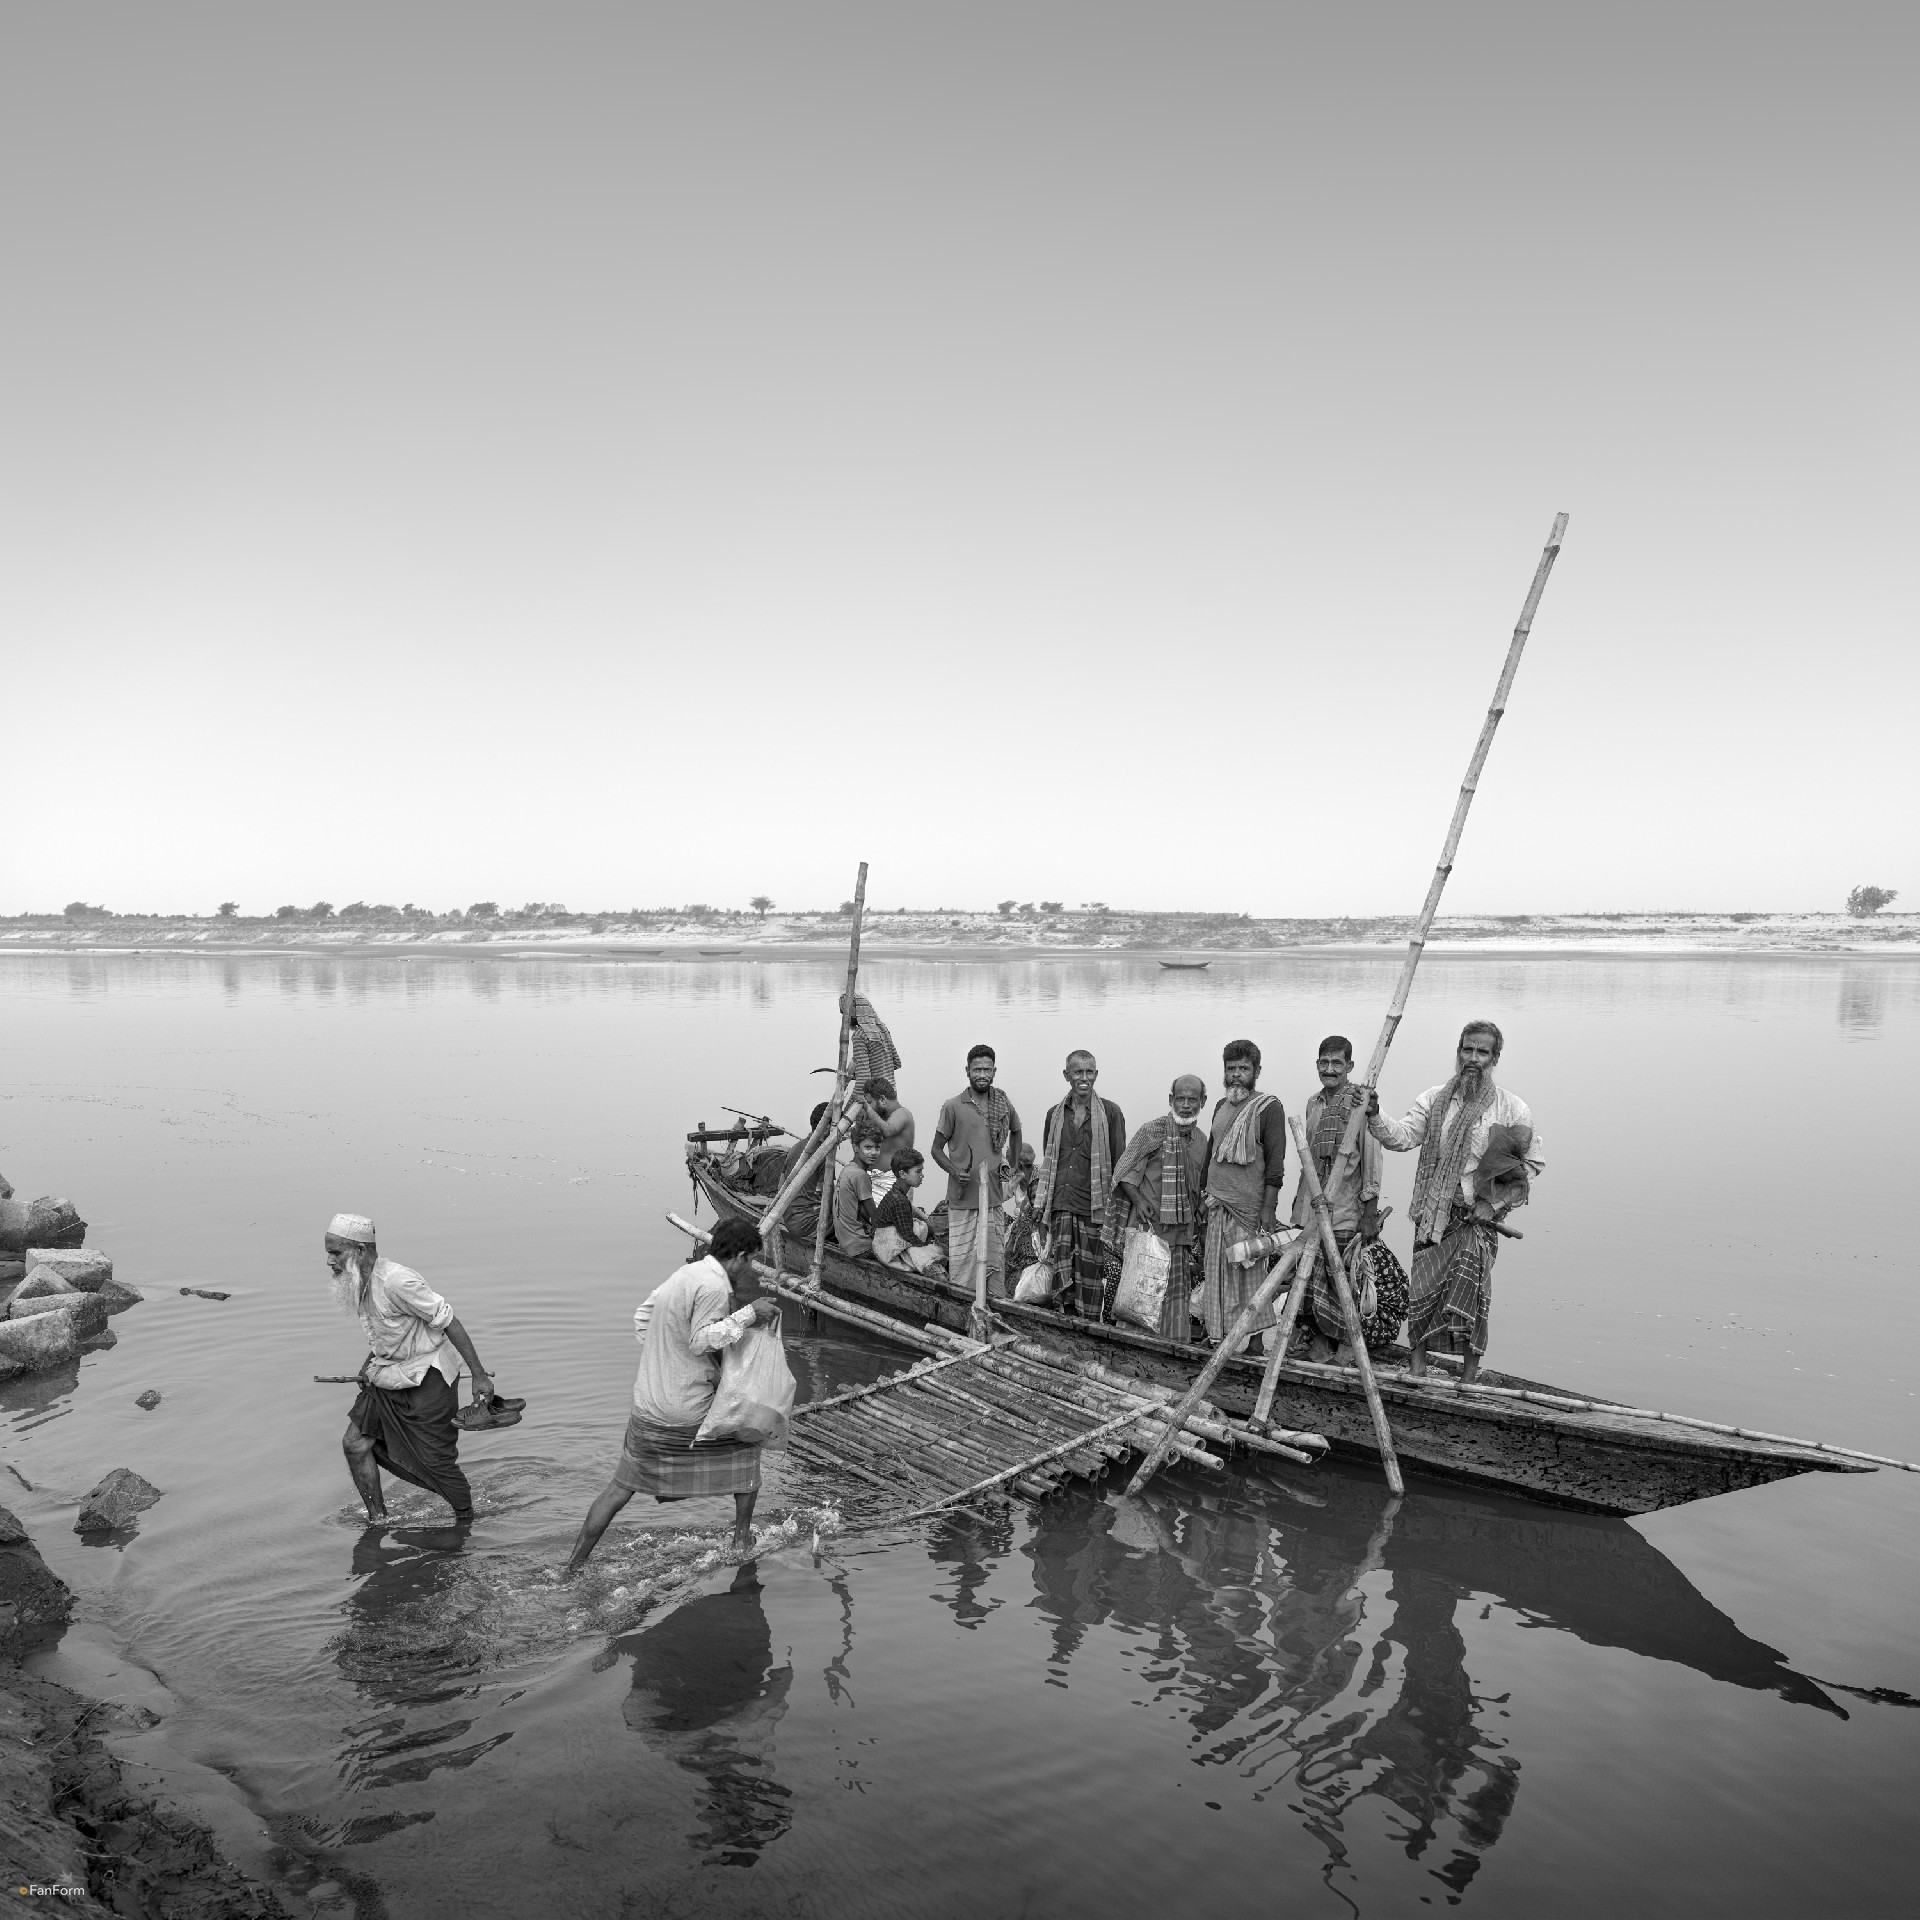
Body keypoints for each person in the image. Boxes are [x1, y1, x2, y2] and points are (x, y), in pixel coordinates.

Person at [566, 1217, 780, 1569]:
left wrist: (668, 1360)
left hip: (647, 1405)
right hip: (684, 1410)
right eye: (752, 1260)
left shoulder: (685, 1274)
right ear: (740, 1256)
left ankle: (573, 1565)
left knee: (619, 1489)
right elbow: (700, 1341)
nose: (750, 1269)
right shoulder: (714, 1288)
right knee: (749, 1445)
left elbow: (643, 1318)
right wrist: (748, 1314)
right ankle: (741, 1539)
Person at [1366, 1020, 1544, 1381]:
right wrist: (1374, 1113)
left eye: (1482, 1052)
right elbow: (1402, 1137)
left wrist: (1493, 1205)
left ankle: (1468, 1378)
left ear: (1495, 1058)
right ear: (1458, 1052)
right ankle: (1417, 1368)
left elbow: (1530, 1165)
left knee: (1470, 1296)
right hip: (1434, 1216)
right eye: (1467, 1049)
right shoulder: (1434, 1100)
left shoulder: (1511, 1109)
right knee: (1423, 1292)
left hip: (1477, 1221)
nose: (1473, 1058)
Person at [327, 1212, 503, 1527]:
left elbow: (449, 1321)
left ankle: (465, 1520)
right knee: (355, 1444)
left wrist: (478, 1375)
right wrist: (368, 1364)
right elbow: (389, 1333)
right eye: (329, 1253)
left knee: (436, 1462)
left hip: (428, 1377)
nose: (330, 1260)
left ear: (361, 1250)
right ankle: (378, 1519)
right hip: (387, 1375)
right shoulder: (359, 1281)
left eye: (336, 1252)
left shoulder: (397, 1281)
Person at [1290, 1036, 1398, 1357]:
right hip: (1316, 1207)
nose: (1330, 1069)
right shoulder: (1313, 1103)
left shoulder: (1360, 1103)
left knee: (1342, 1282)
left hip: (1347, 1208)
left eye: (1337, 1063)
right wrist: (1299, 1210)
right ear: (1317, 1065)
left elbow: (1372, 1158)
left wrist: (1370, 1211)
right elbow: (1309, 1161)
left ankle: (1349, 1350)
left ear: (1349, 1066)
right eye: (1324, 1062)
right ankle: (1321, 1346)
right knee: (1314, 1281)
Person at [1104, 1075, 1211, 1338]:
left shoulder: (1202, 1142)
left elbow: (1201, 1186)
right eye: (1180, 1099)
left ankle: (1172, 1346)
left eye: (1192, 1100)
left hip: (1181, 1234)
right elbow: (1124, 1171)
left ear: (1202, 1102)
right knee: (1140, 1294)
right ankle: (1133, 1346)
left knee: (1174, 1296)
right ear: (1171, 1099)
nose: (1185, 1105)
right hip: (1148, 1228)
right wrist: (1138, 1201)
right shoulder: (1151, 1132)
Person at [1201, 1040, 1288, 1350]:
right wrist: (1202, 1194)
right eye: (1231, 1068)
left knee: (1248, 1274)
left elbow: (1275, 1165)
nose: (1236, 1075)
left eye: (1243, 1068)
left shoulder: (1269, 1108)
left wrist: (1268, 1210)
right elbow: (1212, 1154)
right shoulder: (1219, 1106)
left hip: (1248, 1209)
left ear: (1257, 1071)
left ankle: (1254, 1345)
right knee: (1217, 1274)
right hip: (1216, 1203)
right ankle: (1219, 1338)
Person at [1033, 1050, 1127, 1320]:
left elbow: (1120, 1162)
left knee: (1091, 1272)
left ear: (1096, 1075)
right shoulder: (1054, 1115)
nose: (1084, 1078)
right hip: (1061, 1202)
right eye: (1078, 1072)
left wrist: (1119, 1212)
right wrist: (1041, 1201)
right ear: (1067, 1075)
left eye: (1089, 1072)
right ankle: (1067, 1321)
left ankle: (1090, 1324)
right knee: (1063, 1268)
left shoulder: (1111, 1113)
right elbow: (1049, 1159)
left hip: (1093, 1206)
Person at [931, 1045, 1023, 1296]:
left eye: (987, 1069)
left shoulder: (1002, 1103)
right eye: (977, 1069)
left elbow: (1016, 1131)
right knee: (963, 1267)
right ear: (967, 1071)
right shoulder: (953, 1106)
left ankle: (993, 1304)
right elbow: (936, 1150)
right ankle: (962, 1305)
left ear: (994, 1072)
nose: (982, 1074)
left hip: (993, 1199)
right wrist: (954, 1171)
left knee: (994, 1262)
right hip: (962, 1200)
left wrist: (1012, 1167)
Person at [831, 1128, 885, 1258]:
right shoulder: (860, 1175)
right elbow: (876, 1217)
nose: (873, 1153)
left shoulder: (848, 1168)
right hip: (859, 1245)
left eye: (877, 1148)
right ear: (855, 1147)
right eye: (868, 1147)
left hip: (845, 1239)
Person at [864, 1079, 915, 1206]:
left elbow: (888, 1131)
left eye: (870, 1103)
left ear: (882, 1099)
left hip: (893, 1184)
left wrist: (868, 1109)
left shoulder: (902, 1114)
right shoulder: (881, 1119)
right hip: (875, 1183)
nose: (869, 1107)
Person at [839, 991, 902, 1092]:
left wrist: (855, 1095)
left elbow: (864, 1078)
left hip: (874, 1095)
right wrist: (852, 1073)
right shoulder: (882, 1029)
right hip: (891, 1091)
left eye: (844, 1013)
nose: (843, 1017)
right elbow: (896, 1063)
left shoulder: (859, 1036)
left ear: (853, 1012)